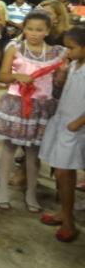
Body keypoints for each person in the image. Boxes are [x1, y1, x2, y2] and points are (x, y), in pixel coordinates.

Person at [0, 11, 65, 212]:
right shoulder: (15, 47)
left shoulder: (57, 52)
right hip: (16, 103)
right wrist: (17, 76)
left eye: (39, 30)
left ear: (47, 31)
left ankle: (31, 193)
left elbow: (59, 80)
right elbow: (3, 74)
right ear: (24, 28)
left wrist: (62, 74)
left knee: (33, 153)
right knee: (9, 148)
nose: (34, 33)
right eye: (29, 28)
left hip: (41, 107)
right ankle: (2, 190)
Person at [38, 25, 85, 243]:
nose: (67, 52)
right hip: (64, 121)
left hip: (76, 127)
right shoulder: (74, 64)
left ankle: (69, 222)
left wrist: (78, 122)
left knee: (64, 173)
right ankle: (64, 214)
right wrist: (62, 75)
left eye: (72, 48)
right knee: (61, 172)